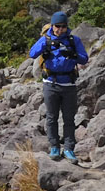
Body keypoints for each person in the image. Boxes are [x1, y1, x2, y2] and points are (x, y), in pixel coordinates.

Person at [29, 11, 88, 163]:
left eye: (63, 27)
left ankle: (69, 149)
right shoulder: (46, 39)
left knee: (69, 118)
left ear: (67, 27)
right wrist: (46, 45)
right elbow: (32, 54)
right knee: (51, 117)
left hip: (69, 84)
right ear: (52, 25)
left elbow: (84, 59)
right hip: (51, 83)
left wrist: (72, 54)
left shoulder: (74, 40)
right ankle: (54, 147)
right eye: (57, 26)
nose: (59, 29)